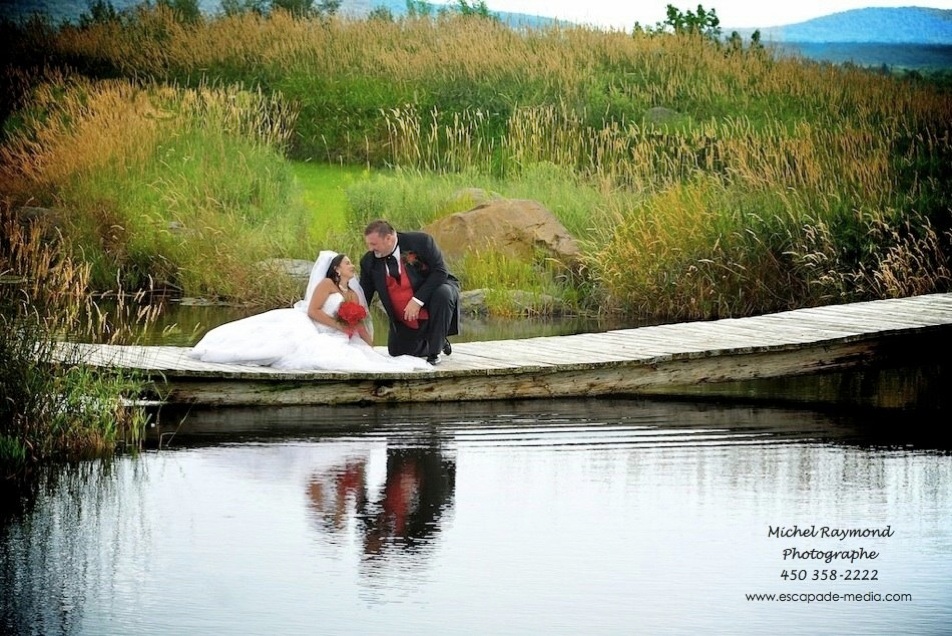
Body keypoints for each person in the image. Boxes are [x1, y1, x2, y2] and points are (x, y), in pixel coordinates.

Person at [189, 250, 431, 372]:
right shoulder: (326, 285)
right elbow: (314, 311)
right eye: (347, 263)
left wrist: (368, 342)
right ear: (337, 269)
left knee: (364, 358)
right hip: (314, 327)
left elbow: (358, 324)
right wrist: (338, 326)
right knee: (278, 344)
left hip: (339, 336)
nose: (352, 266)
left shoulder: (354, 295)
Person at [359, 220, 460, 365]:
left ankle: (434, 352)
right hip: (402, 313)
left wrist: (417, 300)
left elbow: (440, 272)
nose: (370, 249)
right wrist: (352, 319)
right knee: (396, 352)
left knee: (443, 294)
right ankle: (437, 339)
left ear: (389, 238)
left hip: (435, 291)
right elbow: (364, 295)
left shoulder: (421, 242)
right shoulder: (369, 262)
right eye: (368, 244)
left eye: (373, 244)